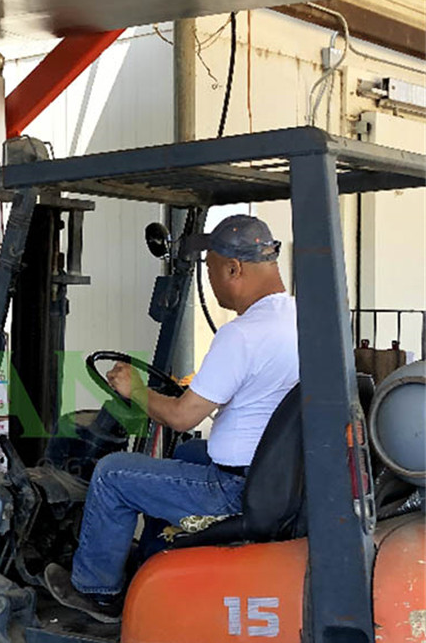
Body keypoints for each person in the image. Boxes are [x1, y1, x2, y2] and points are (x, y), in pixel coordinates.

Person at [45, 214, 299, 621]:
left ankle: (97, 591)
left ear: (234, 267)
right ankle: (151, 557)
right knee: (193, 453)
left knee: (113, 474)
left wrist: (135, 390)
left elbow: (181, 417)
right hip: (275, 477)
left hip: (234, 489)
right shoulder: (296, 319)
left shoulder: (243, 334)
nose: (212, 281)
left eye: (212, 269)